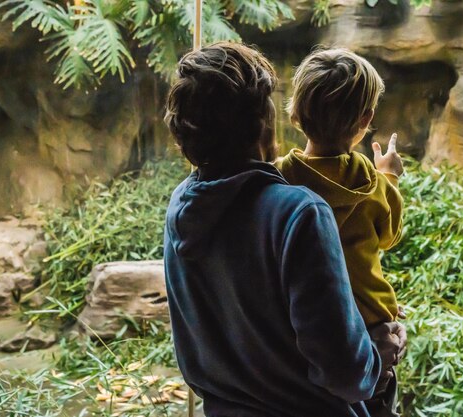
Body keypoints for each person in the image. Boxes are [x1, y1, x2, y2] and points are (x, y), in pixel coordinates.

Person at [163, 42, 404, 417]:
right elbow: (346, 374)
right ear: (262, 123)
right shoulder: (300, 213)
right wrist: (378, 354)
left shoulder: (181, 205)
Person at [277, 48, 406, 416]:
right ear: (365, 121)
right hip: (372, 324)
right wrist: (390, 176)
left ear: (295, 114)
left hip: (307, 329)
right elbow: (389, 234)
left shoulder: (279, 176)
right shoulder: (369, 178)